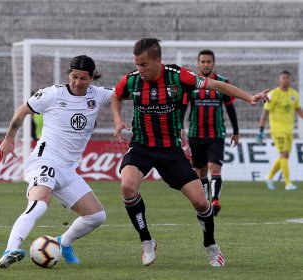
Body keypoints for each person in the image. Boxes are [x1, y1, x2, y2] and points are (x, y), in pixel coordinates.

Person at [111, 38, 269, 267]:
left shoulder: (178, 76)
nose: (140, 69)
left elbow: (219, 86)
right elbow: (116, 96)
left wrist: (250, 97)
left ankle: (211, 246)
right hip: (141, 146)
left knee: (201, 203)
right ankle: (146, 240)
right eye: (137, 64)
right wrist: (117, 120)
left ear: (158, 61)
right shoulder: (133, 80)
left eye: (144, 64)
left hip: (171, 150)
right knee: (127, 186)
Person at [0, 55, 113, 268]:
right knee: (40, 203)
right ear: (68, 74)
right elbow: (23, 110)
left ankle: (64, 242)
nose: (77, 83)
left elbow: (126, 94)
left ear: (92, 77)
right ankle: (10, 249)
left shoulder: (98, 95)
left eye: (83, 79)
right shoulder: (52, 94)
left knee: (96, 216)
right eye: (74, 77)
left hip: (67, 170)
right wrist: (9, 138)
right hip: (45, 160)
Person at [181, 50, 239, 216]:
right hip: (195, 133)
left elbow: (230, 107)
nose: (206, 64)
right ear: (198, 63)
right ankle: (206, 201)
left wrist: (236, 131)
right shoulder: (191, 84)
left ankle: (215, 200)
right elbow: (183, 106)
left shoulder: (222, 82)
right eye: (203, 62)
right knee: (201, 171)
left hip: (217, 133)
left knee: (215, 167)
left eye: (208, 62)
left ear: (213, 63)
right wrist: (180, 125)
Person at [257, 70, 303, 191]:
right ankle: (288, 183)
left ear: (290, 80)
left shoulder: (294, 94)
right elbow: (265, 113)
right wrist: (261, 130)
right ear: (280, 80)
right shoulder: (273, 94)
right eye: (283, 78)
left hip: (289, 130)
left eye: (288, 78)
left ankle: (269, 176)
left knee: (285, 156)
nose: (285, 80)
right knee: (283, 154)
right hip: (277, 129)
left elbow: (298, 110)